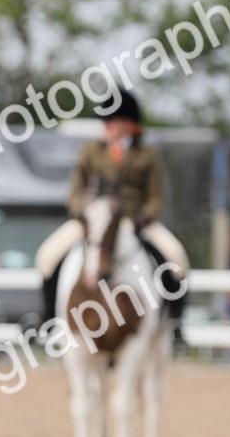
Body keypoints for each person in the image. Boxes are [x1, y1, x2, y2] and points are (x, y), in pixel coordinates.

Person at [35, 89, 189, 342]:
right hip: (94, 222)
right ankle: (49, 319)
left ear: (129, 123)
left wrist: (144, 217)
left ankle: (174, 323)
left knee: (177, 257)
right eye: (104, 120)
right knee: (47, 256)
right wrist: (84, 215)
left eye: (111, 120)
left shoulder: (147, 155)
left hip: (133, 221)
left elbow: (155, 197)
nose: (105, 126)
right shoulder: (91, 151)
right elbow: (75, 192)